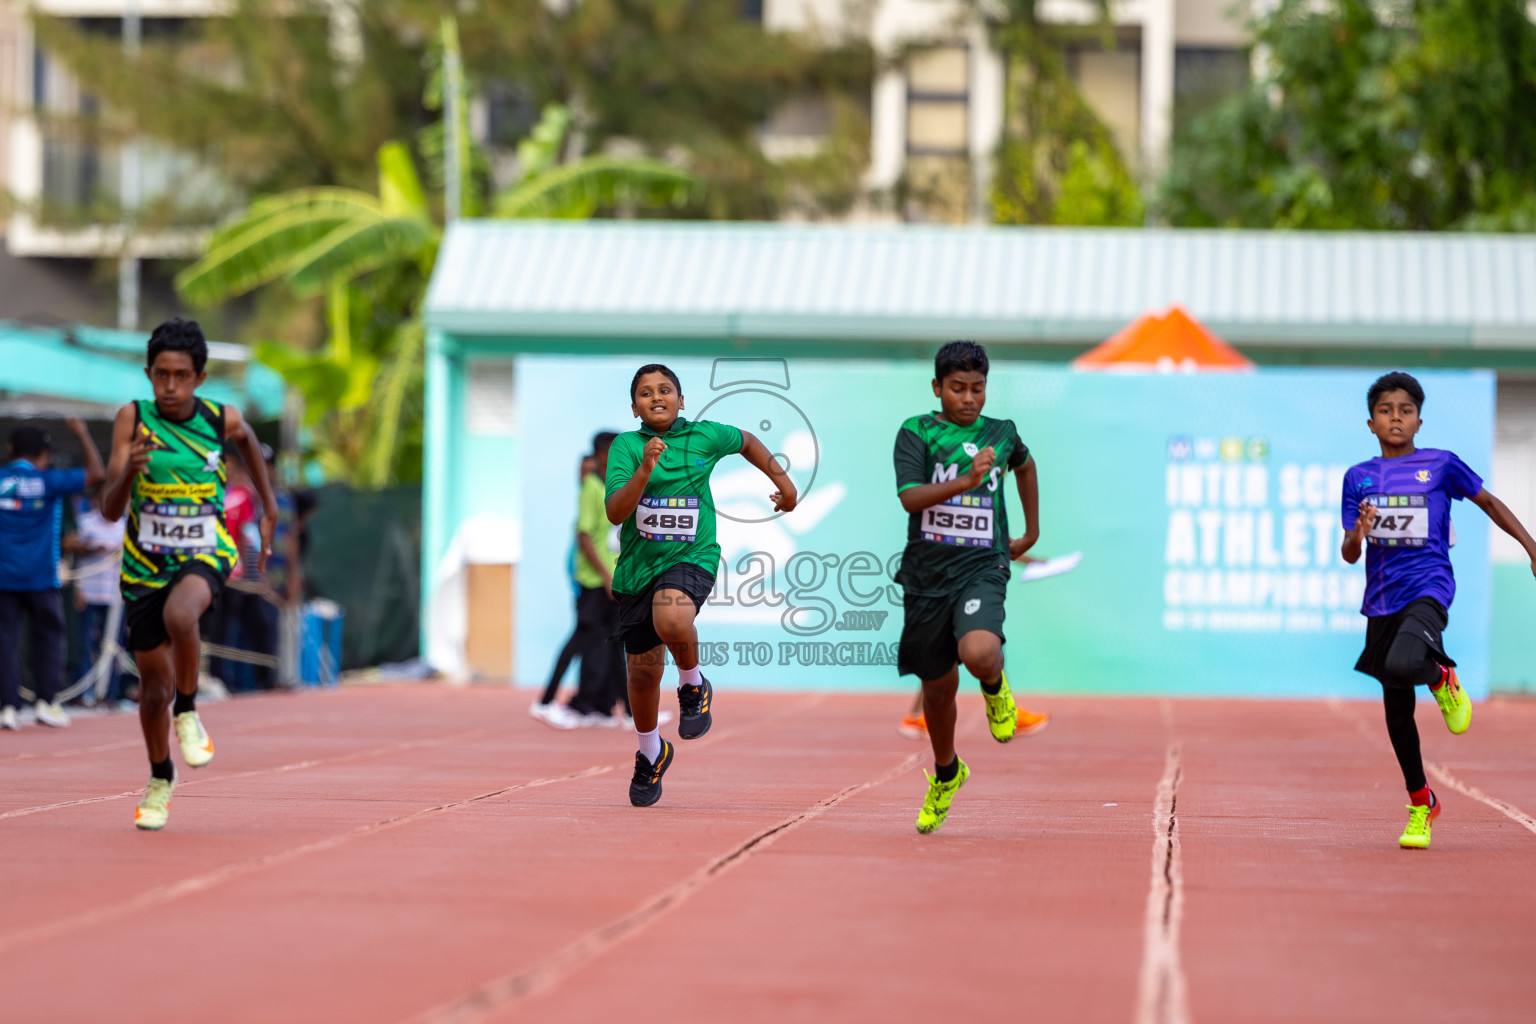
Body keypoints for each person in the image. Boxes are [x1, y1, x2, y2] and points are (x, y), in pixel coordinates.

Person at [1341, 371, 1536, 850]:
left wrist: (1531, 546)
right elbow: (1348, 553)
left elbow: (1488, 502)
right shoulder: (1358, 477)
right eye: (1385, 411)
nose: (1395, 418)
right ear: (1370, 423)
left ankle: (1442, 677)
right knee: (1395, 705)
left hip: (1429, 586)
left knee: (1406, 664)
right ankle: (1420, 801)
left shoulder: (1441, 465)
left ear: (1419, 420)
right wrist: (1359, 533)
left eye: (1404, 411)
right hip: (1381, 598)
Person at [101, 318, 277, 831]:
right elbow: (111, 511)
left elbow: (247, 441)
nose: (171, 387)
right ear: (149, 374)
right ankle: (160, 776)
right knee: (151, 690)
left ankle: (190, 710)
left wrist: (268, 507)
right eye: (161, 376)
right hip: (144, 565)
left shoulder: (221, 418)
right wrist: (129, 472)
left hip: (205, 547)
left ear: (200, 378)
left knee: (184, 615)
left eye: (181, 376)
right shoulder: (132, 421)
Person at [606, 363, 797, 806]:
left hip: (693, 556)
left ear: (682, 399)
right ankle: (651, 752)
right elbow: (616, 512)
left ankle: (693, 684)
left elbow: (747, 441)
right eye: (646, 393)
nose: (657, 397)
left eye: (666, 389)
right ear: (634, 407)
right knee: (643, 673)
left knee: (672, 616)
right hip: (637, 570)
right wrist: (645, 468)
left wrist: (784, 486)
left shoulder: (704, 436)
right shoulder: (627, 447)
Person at [893, 341, 1039, 834]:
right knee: (937, 690)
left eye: (978, 388)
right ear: (938, 388)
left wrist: (1031, 531)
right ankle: (947, 772)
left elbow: (1025, 465)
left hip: (984, 565)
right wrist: (965, 480)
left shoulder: (1001, 433)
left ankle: (997, 689)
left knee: (979, 652)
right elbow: (912, 499)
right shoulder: (917, 432)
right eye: (958, 388)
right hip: (927, 576)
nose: (969, 398)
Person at [0, 419, 105, 729]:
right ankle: (47, 701)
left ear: (10, 450)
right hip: (42, 576)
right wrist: (83, 433)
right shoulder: (50, 481)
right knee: (49, 637)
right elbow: (98, 474)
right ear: (44, 453)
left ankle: (7, 707)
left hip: (4, 576)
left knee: (5, 641)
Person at [65, 492, 128, 705]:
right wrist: (91, 548)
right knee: (84, 645)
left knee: (113, 645)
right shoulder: (86, 522)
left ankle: (109, 693)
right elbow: (69, 545)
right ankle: (82, 693)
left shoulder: (125, 525)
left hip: (115, 597)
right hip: (89, 593)